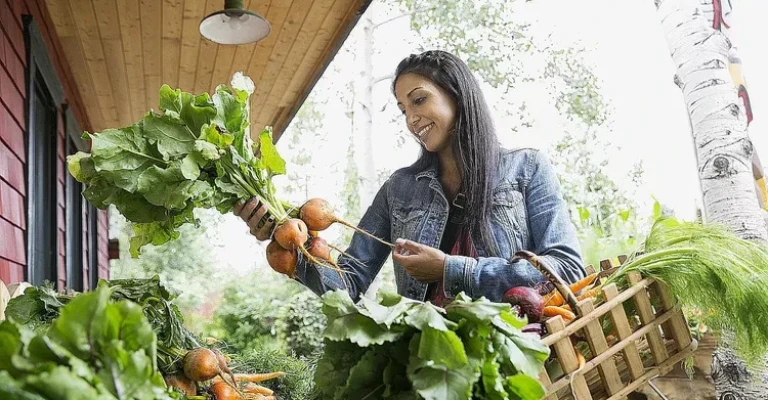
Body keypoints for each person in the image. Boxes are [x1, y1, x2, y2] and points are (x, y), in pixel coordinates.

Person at [234, 50, 585, 305]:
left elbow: (567, 270)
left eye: (419, 100)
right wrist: (293, 251)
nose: (411, 119)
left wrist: (452, 270)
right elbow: (349, 284)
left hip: (522, 359)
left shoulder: (527, 168)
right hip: (429, 365)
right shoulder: (398, 191)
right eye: (404, 109)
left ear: (457, 96)